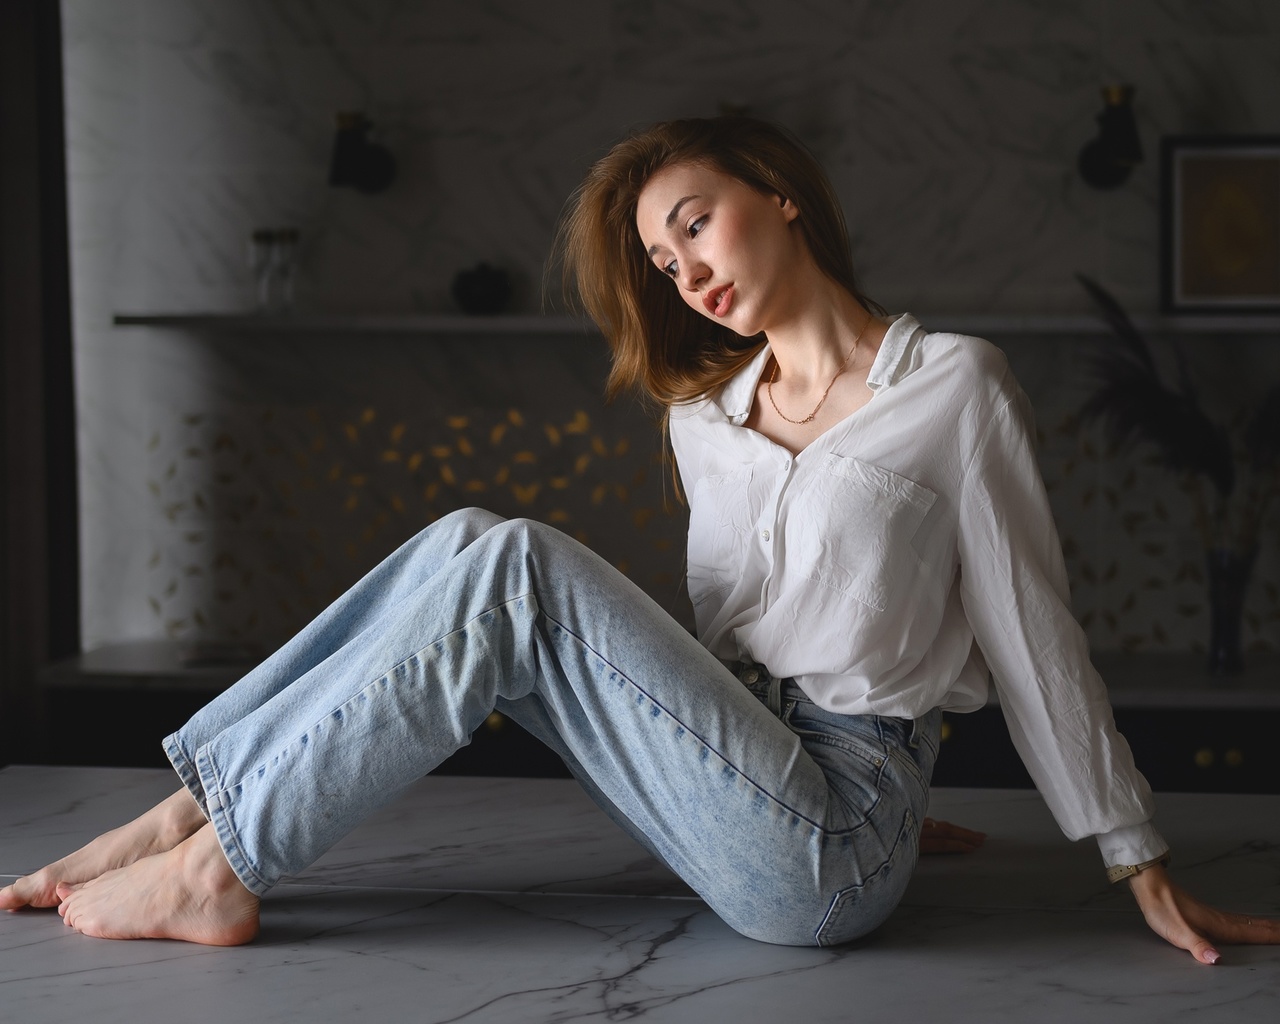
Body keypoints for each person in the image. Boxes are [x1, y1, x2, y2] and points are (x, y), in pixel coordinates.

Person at [2, 116, 1276, 961]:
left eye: (694, 222)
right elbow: (733, 652)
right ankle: (189, 817)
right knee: (465, 537)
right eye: (661, 265)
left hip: (832, 841)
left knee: (510, 562)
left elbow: (1030, 632)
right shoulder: (703, 419)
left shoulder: (951, 387)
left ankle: (223, 862)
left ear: (777, 197)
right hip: (734, 785)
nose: (683, 272)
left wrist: (1133, 857)